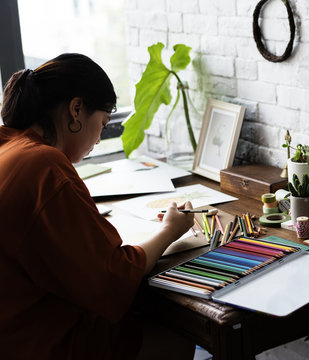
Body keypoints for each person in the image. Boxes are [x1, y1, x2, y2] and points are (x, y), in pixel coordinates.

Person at [0, 54, 195, 359]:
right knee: (178, 335)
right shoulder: (44, 164)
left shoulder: (7, 146)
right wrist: (170, 230)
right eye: (103, 124)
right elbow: (112, 277)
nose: (100, 140)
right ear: (76, 110)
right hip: (34, 342)